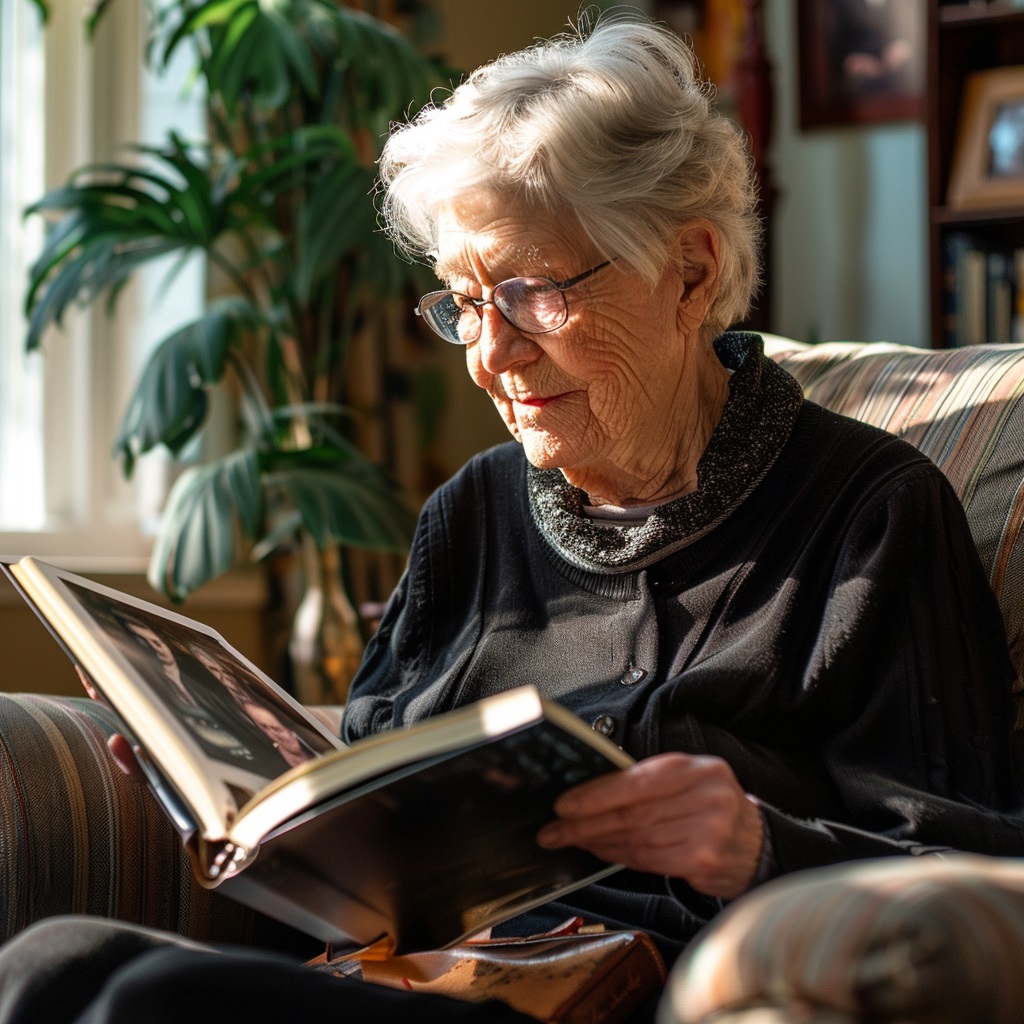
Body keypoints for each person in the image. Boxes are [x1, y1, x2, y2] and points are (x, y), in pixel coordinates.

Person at [0, 11, 1021, 1024]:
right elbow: (355, 836)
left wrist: (755, 844)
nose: (488, 354)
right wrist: (218, 796)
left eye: (531, 292)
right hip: (415, 977)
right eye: (461, 303)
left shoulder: (867, 514)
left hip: (623, 996)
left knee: (155, 996)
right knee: (51, 958)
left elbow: (970, 871)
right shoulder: (473, 513)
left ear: (692, 270)